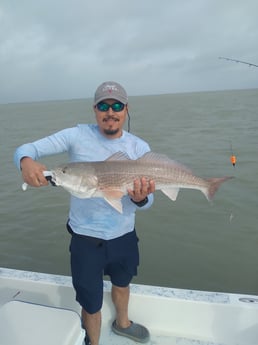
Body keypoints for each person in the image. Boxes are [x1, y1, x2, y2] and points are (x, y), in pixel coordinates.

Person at [14, 81, 155, 345]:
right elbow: (26, 149)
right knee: (90, 301)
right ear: (94, 109)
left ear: (126, 109)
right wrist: (26, 162)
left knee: (123, 283)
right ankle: (93, 341)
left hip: (124, 235)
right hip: (85, 239)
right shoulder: (75, 135)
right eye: (103, 105)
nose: (110, 111)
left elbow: (149, 202)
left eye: (116, 105)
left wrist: (141, 198)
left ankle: (123, 324)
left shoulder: (138, 147)